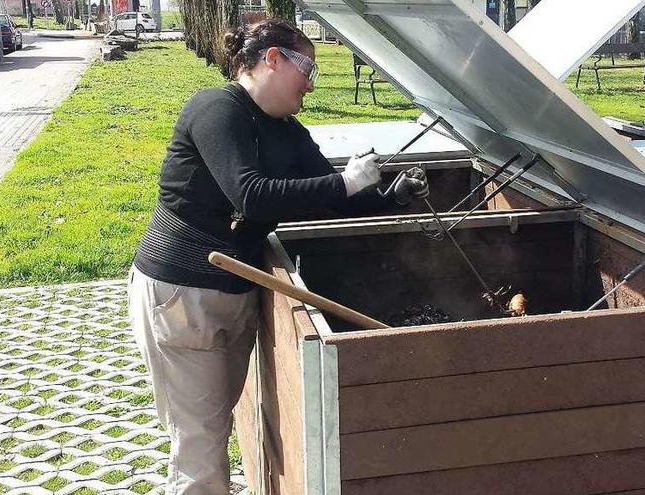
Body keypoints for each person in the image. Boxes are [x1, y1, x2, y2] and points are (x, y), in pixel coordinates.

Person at [127, 19, 428, 494]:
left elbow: (330, 195)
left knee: (213, 422)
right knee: (199, 444)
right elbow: (251, 195)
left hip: (233, 287)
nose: (311, 82)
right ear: (272, 58)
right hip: (182, 295)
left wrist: (391, 195)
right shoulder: (216, 110)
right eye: (306, 67)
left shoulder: (284, 127)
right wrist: (347, 180)